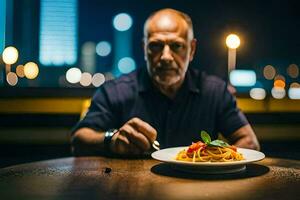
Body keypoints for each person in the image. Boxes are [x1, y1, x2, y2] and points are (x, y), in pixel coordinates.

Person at [71, 8, 260, 156]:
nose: (166, 56)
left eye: (176, 46)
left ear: (192, 50)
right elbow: (79, 139)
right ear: (144, 49)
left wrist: (212, 160)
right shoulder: (115, 91)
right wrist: (112, 140)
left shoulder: (215, 92)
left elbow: (249, 142)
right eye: (156, 46)